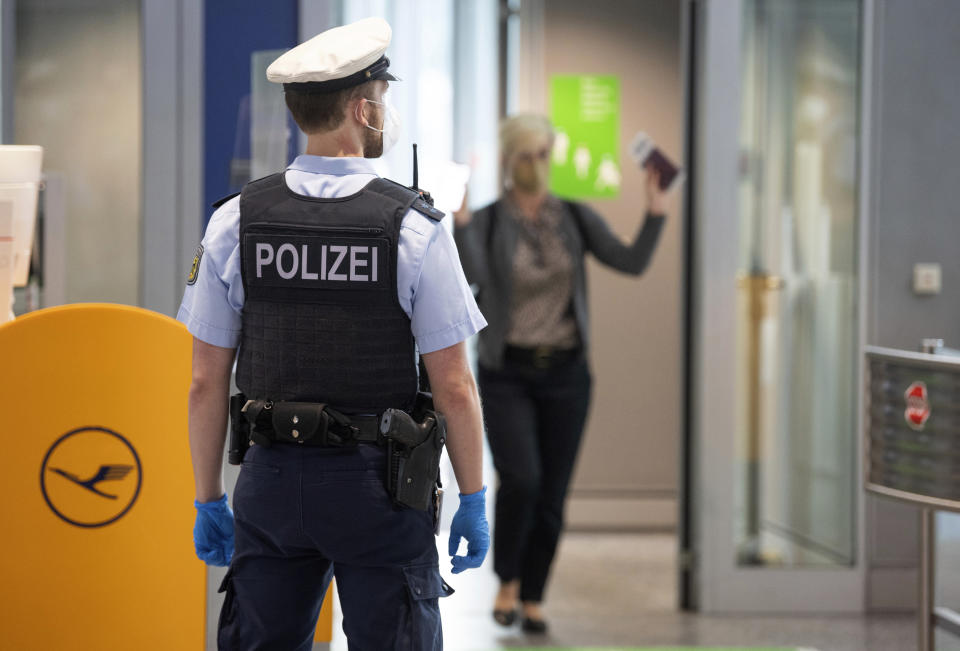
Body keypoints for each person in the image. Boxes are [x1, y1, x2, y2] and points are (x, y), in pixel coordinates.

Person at [178, 17, 489, 650]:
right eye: (383, 98)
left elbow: (205, 379)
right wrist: (475, 498)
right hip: (378, 487)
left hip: (268, 481)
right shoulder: (413, 228)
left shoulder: (235, 221)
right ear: (362, 109)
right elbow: (454, 385)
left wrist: (207, 496)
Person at [453, 114, 666, 633]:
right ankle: (506, 580)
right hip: (509, 373)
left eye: (543, 154)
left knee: (552, 491)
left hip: (568, 375)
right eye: (526, 155)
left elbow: (631, 261)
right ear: (509, 161)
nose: (536, 165)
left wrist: (655, 212)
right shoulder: (488, 220)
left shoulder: (572, 216)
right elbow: (472, 281)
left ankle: (533, 596)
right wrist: (459, 228)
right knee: (521, 478)